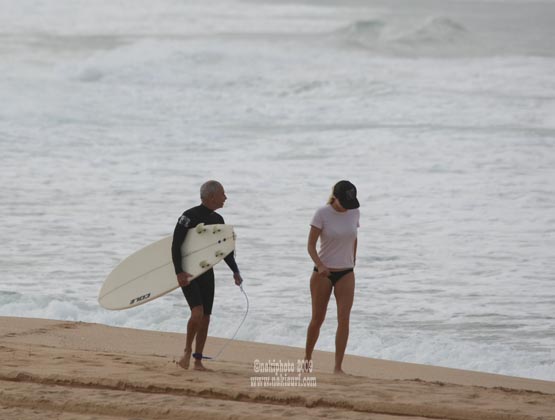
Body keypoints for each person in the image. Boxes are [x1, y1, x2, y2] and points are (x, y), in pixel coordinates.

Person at [171, 180, 243, 371]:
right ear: (212, 197)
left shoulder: (218, 220)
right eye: (222, 194)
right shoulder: (188, 216)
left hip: (206, 271)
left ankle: (197, 360)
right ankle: (187, 351)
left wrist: (235, 271)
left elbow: (224, 250)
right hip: (188, 272)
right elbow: (176, 245)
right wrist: (179, 272)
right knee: (197, 313)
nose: (225, 197)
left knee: (206, 317)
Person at [304, 180, 360, 374]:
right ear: (335, 197)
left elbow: (354, 237)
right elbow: (310, 245)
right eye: (344, 202)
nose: (347, 207)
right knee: (317, 319)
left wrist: (353, 259)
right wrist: (320, 265)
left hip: (347, 272)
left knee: (344, 319)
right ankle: (307, 359)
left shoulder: (354, 212)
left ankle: (338, 367)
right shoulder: (322, 214)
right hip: (323, 273)